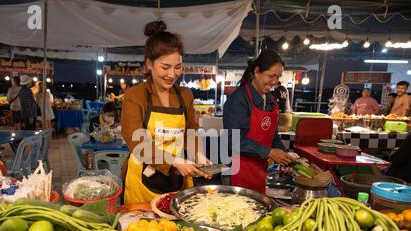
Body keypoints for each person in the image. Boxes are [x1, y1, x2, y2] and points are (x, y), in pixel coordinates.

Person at [121, 20, 211, 204]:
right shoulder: (135, 95)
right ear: (149, 64)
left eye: (177, 67)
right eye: (165, 67)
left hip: (177, 178)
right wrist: (174, 161)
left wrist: (197, 154)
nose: (172, 74)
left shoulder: (185, 95)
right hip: (142, 181)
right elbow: (137, 142)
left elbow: (191, 131)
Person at [223, 50, 295, 193]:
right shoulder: (239, 99)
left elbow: (272, 136)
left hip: (260, 172)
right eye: (271, 76)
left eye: (278, 77)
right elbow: (233, 140)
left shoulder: (271, 101)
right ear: (257, 72)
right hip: (238, 172)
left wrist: (284, 156)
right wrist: (269, 152)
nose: (274, 82)